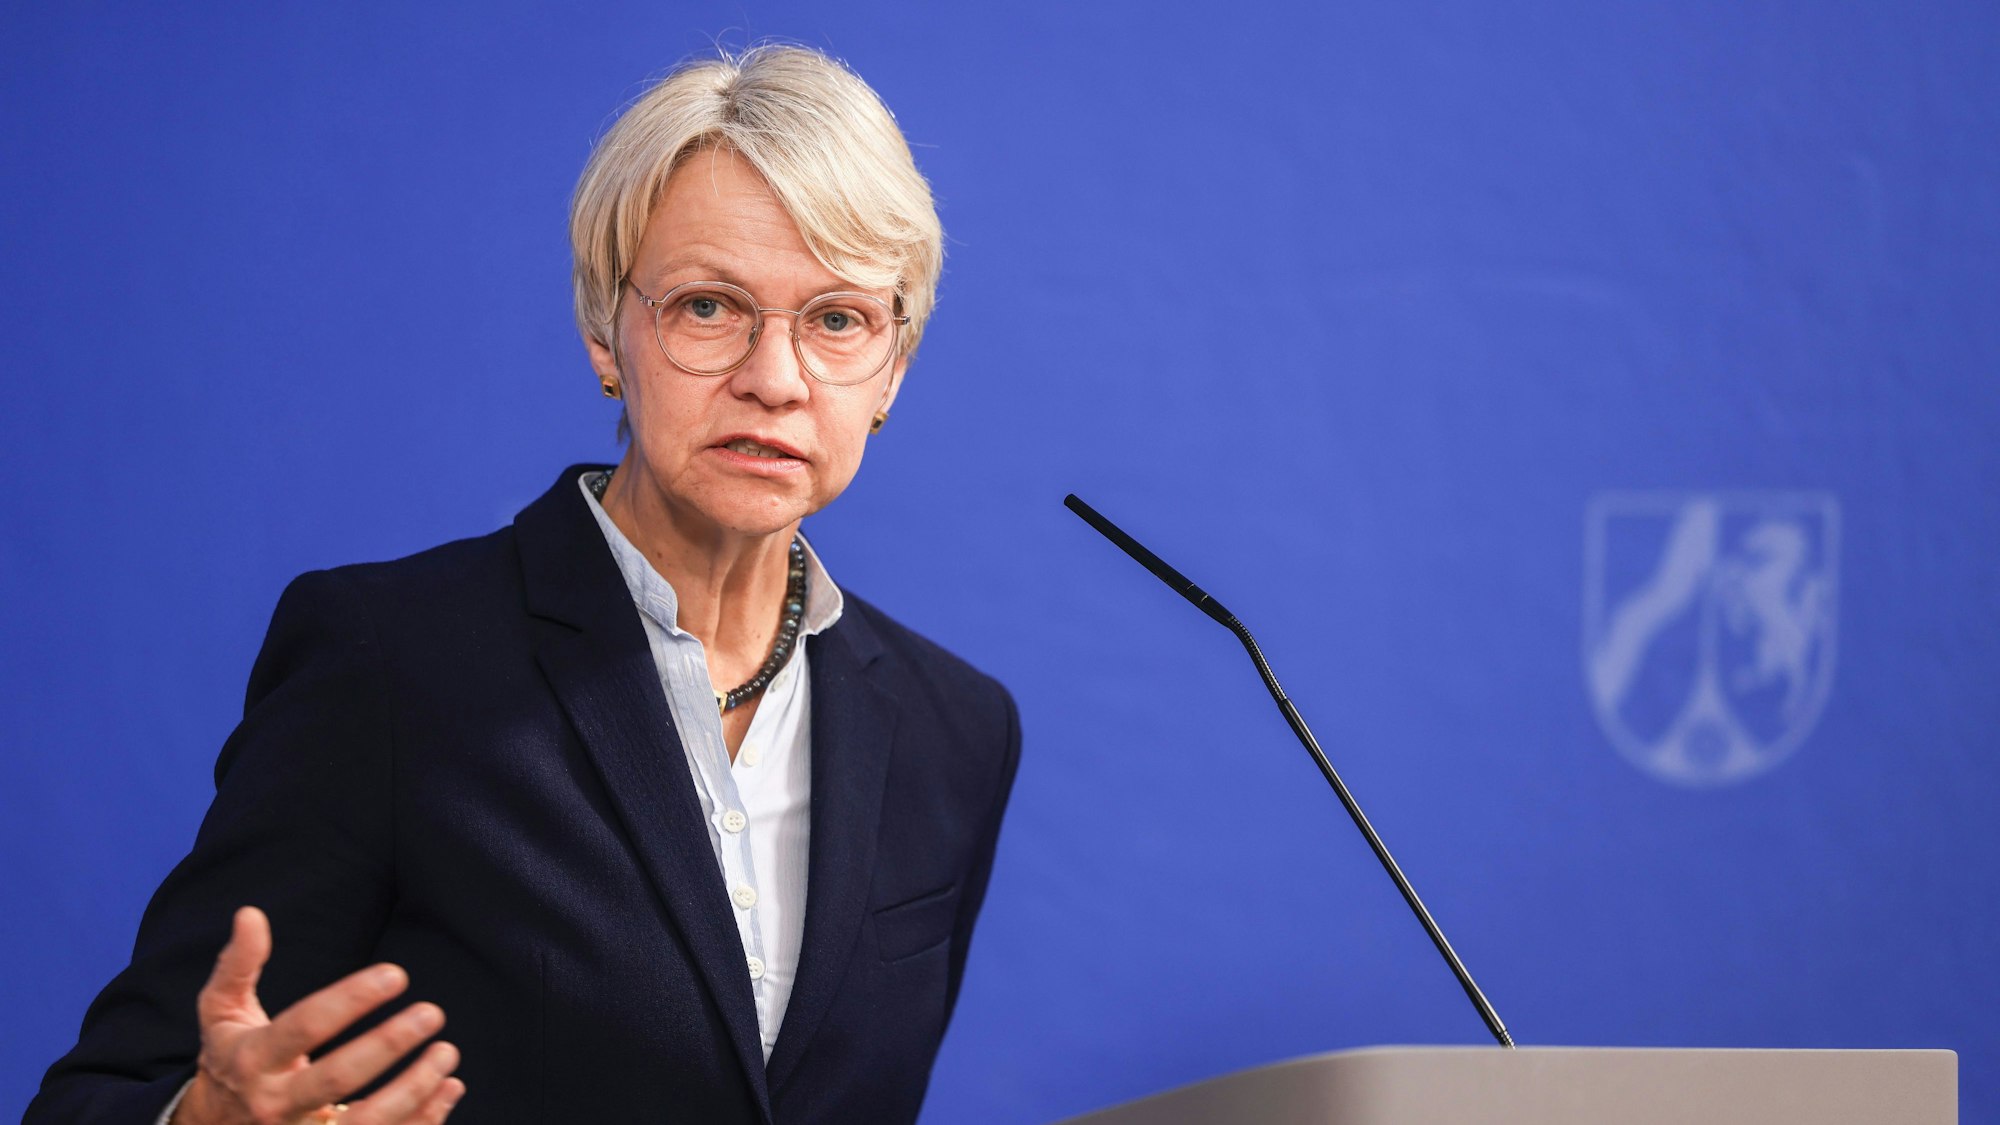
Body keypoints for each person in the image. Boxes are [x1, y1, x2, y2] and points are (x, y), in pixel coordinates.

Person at [28, 44, 1020, 1125]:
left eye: (835, 320)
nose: (773, 379)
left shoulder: (952, 731)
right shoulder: (389, 665)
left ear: (893, 367)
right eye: (705, 307)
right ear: (606, 334)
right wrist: (204, 1121)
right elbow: (106, 1096)